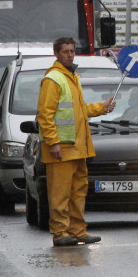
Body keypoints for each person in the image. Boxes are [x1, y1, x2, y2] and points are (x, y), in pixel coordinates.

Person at [37, 37, 115, 247]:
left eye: (72, 51)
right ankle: (60, 233)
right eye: (65, 52)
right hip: (62, 149)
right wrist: (53, 143)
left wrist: (101, 107)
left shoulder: (71, 77)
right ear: (57, 54)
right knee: (60, 194)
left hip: (78, 148)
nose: (70, 55)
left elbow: (79, 111)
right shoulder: (54, 78)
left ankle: (78, 230)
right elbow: (45, 115)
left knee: (78, 192)